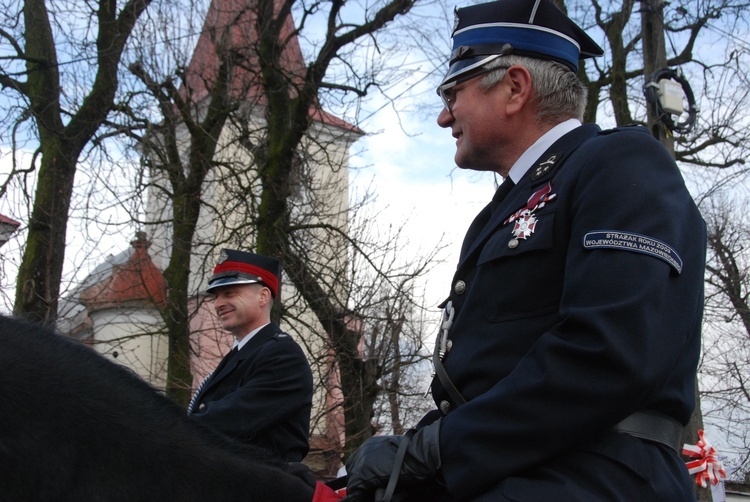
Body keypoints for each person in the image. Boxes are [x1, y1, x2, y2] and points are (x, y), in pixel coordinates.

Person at [343, 0, 707, 500]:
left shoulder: (621, 162)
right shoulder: (504, 210)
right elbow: (481, 384)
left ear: (515, 88)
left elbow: (610, 352)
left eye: (454, 91)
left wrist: (437, 449)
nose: (443, 115)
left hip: (598, 476)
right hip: (512, 468)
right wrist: (409, 449)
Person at [188, 249, 313, 463]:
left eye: (229, 293)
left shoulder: (283, 356)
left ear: (263, 296)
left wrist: (169, 426)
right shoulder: (241, 355)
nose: (217, 303)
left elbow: (230, 420)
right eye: (216, 296)